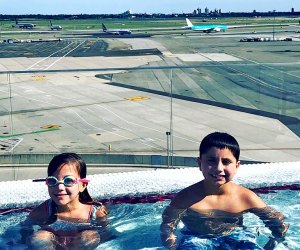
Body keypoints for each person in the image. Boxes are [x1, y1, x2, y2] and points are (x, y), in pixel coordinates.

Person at [160, 132, 289, 250]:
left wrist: (274, 241)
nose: (219, 168)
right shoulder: (185, 198)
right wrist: (172, 246)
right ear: (199, 163)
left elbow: (276, 221)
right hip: (196, 237)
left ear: (237, 166)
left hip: (236, 235)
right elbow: (167, 226)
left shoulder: (245, 198)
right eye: (211, 161)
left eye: (226, 162)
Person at [23, 153, 112, 249]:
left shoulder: (95, 213)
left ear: (83, 185)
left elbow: (106, 235)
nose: (60, 187)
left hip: (80, 246)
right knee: (40, 238)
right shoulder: (43, 211)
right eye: (53, 181)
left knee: (89, 237)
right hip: (53, 246)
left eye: (69, 180)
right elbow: (24, 230)